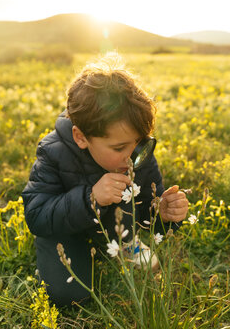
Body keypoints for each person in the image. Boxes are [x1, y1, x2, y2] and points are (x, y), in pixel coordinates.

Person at [22, 53, 189, 307]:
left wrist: (162, 214)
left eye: (140, 143)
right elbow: (36, 216)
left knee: (131, 210)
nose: (131, 156)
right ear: (80, 137)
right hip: (64, 229)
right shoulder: (53, 152)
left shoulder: (136, 155)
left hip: (117, 225)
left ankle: (124, 242)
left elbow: (144, 207)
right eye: (120, 147)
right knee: (70, 296)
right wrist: (91, 198)